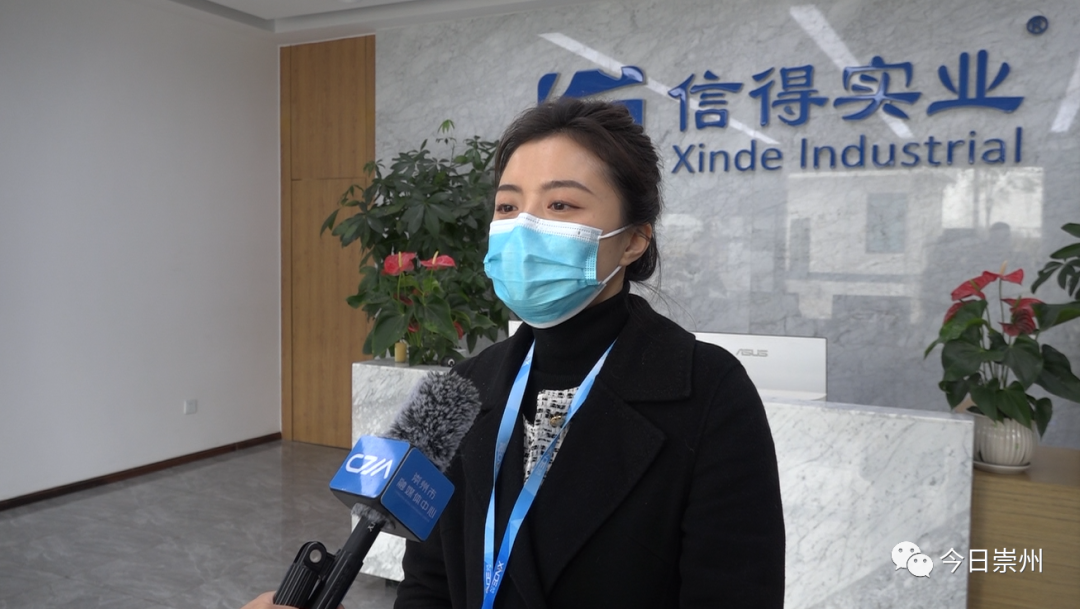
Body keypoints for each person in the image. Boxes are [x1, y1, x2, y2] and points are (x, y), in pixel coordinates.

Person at [395, 99, 785, 608]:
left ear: (633, 240)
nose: (525, 227)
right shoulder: (461, 390)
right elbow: (427, 585)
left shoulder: (711, 394)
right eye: (508, 207)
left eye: (560, 205)